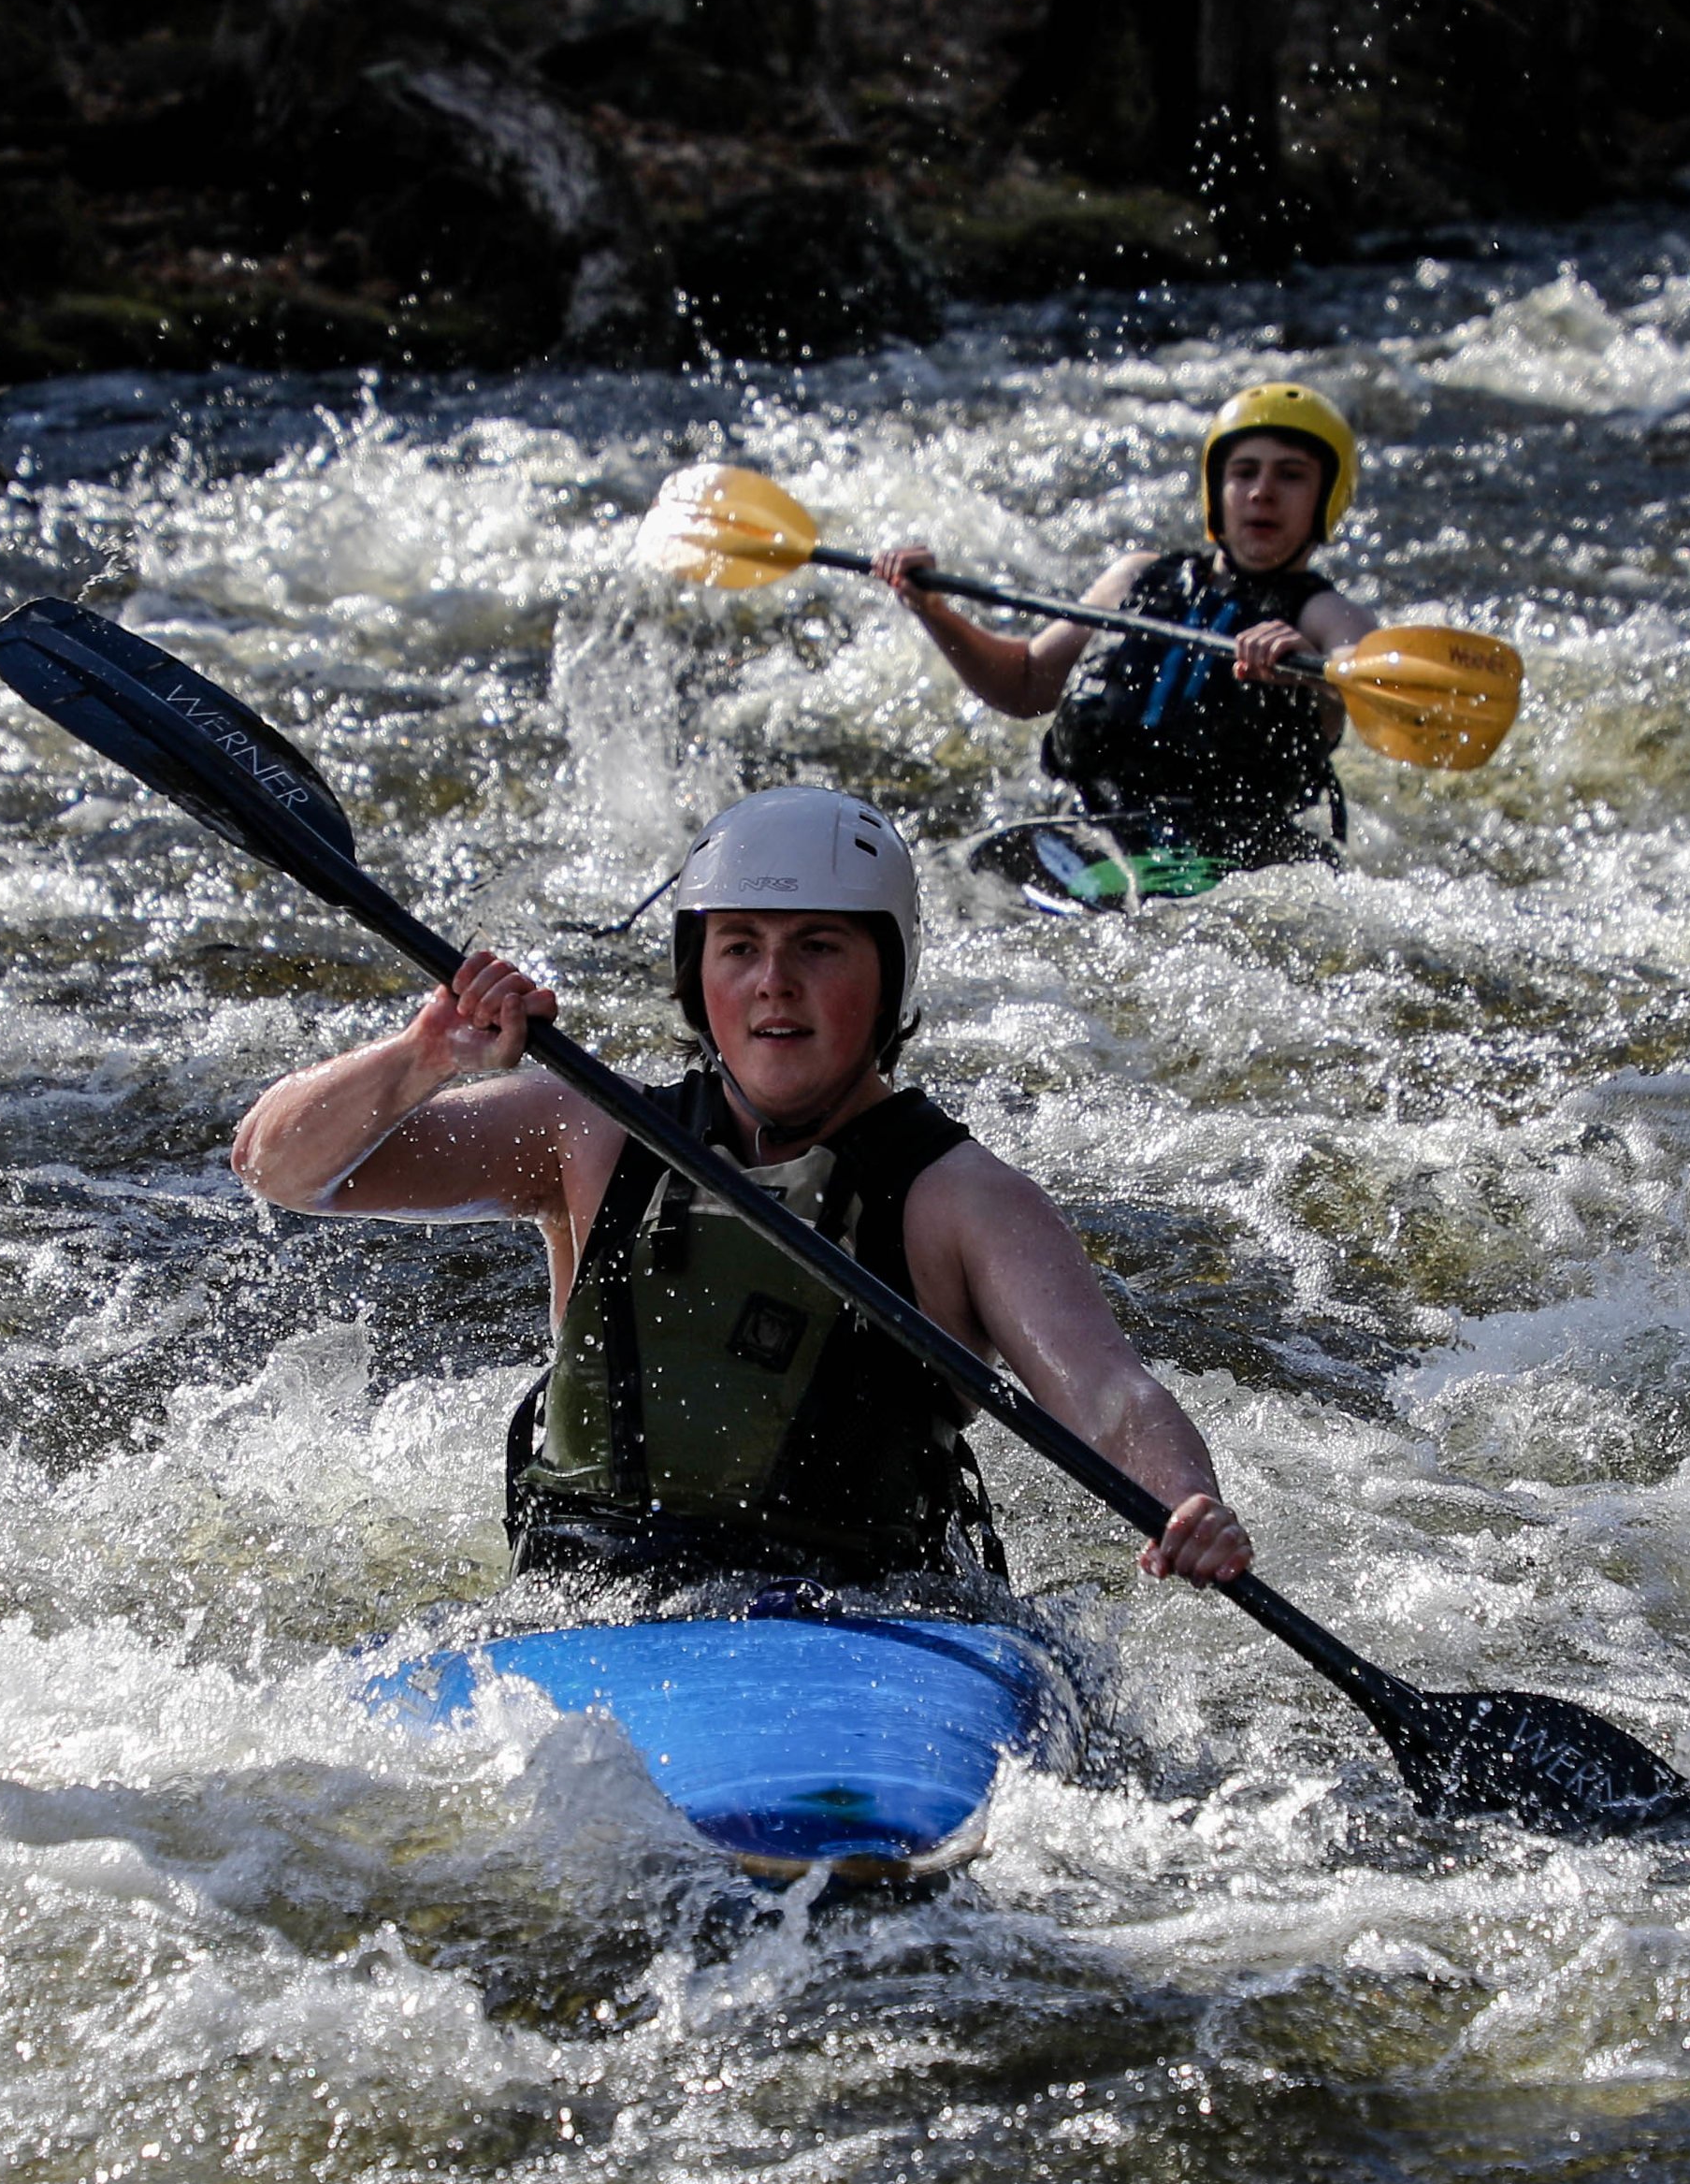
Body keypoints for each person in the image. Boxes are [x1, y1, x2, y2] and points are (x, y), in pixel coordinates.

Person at [227, 786, 1254, 1598]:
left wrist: (1185, 1498)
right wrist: (424, 1056)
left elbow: (1112, 1398)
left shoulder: (960, 1199)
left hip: (858, 1621)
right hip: (582, 1608)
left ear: (887, 979)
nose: (774, 982)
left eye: (818, 946)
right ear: (698, 976)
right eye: (741, 948)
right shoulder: (588, 1129)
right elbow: (280, 1166)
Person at [870, 382, 1371, 885]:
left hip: (1235, 862)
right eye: (1244, 473)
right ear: (1216, 491)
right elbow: (1023, 684)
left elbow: (1369, 677)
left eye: (1291, 476)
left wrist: (1314, 670)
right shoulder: (1136, 580)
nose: (1262, 491)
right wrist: (932, 609)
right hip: (1091, 836)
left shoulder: (1325, 615)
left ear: (1326, 499)